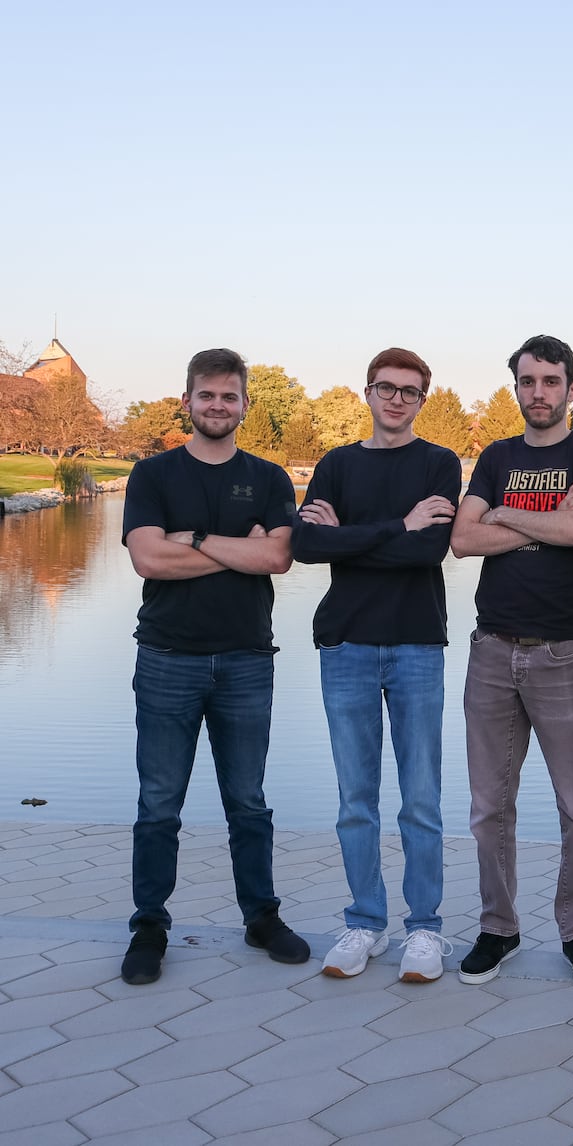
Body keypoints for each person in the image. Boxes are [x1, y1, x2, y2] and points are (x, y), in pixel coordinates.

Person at [119, 348, 308, 985]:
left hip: (247, 661)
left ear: (245, 405)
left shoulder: (271, 477)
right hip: (168, 658)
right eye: (207, 396)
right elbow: (148, 560)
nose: (218, 406)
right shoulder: (152, 474)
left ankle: (261, 915)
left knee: (248, 801)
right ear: (187, 401)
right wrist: (236, 548)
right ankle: (149, 924)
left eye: (230, 397)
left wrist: (190, 540)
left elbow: (278, 558)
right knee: (158, 802)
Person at [291, 347, 462, 983]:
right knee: (355, 799)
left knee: (420, 798)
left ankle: (424, 930)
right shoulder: (336, 464)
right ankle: (365, 921)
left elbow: (428, 554)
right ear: (367, 392)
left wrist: (353, 536)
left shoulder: (439, 462)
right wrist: (398, 524)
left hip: (417, 644)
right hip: (347, 645)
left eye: (409, 391)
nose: (397, 399)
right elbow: (307, 545)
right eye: (386, 388)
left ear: (423, 398)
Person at [449, 334, 573, 989]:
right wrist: (543, 513)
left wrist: (507, 514)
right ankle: (499, 927)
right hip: (491, 650)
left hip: (563, 652)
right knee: (489, 806)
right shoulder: (495, 455)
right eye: (527, 381)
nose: (538, 392)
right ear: (515, 387)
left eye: (550, 381)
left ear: (571, 389)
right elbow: (462, 539)